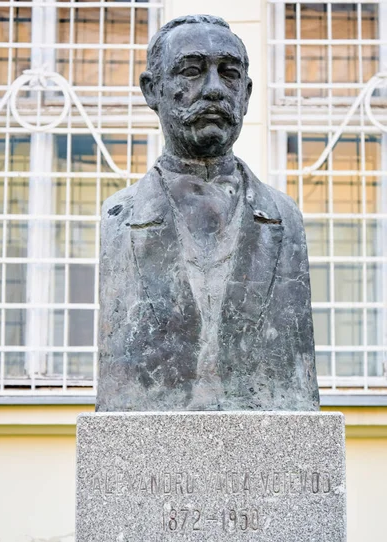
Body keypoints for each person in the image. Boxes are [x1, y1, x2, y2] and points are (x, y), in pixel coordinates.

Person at [96, 15, 319, 411]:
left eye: (229, 74)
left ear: (246, 93)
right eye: (192, 71)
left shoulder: (285, 217)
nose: (214, 89)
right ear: (153, 89)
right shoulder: (118, 217)